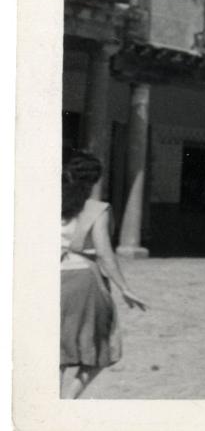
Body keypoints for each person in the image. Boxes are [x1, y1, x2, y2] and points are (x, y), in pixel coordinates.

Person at [60, 150, 147, 399]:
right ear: (96, 180)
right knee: (101, 349)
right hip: (83, 282)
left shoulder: (48, 203)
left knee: (54, 353)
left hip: (49, 278)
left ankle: (50, 408)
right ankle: (68, 400)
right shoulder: (96, 209)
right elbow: (105, 254)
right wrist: (124, 287)